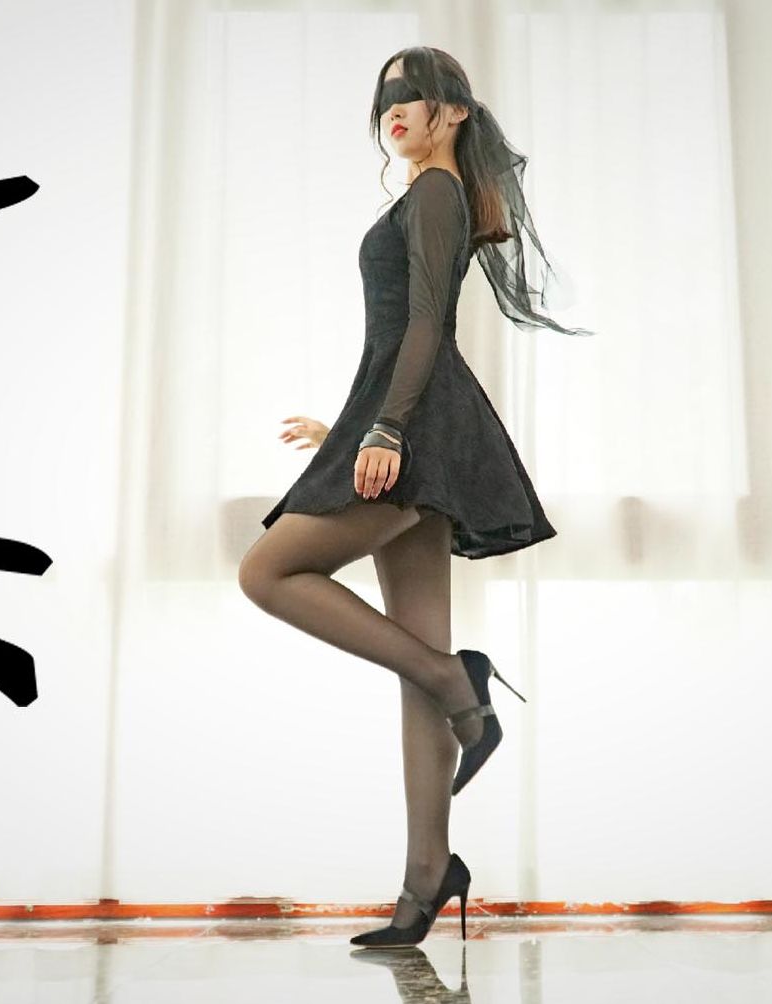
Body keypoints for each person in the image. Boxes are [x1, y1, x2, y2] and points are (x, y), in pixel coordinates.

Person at [237, 45, 593, 948]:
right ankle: (427, 877)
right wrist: (354, 426)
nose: (393, 109)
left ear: (455, 111)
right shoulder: (423, 195)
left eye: (413, 94)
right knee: (413, 658)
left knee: (266, 574)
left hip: (419, 428)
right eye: (384, 98)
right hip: (408, 417)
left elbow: (430, 321)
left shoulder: (436, 191)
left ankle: (454, 679)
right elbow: (399, 335)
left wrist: (388, 430)